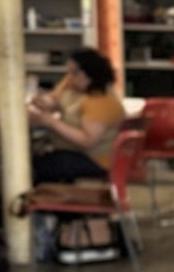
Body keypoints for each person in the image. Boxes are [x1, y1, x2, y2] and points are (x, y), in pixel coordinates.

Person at [26, 49, 125, 183]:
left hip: (94, 159)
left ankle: (42, 199)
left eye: (74, 73)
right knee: (33, 159)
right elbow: (56, 100)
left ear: (90, 75)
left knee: (34, 168)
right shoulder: (73, 84)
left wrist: (51, 123)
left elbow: (87, 141)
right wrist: (44, 102)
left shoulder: (101, 100)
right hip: (69, 150)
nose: (69, 77)